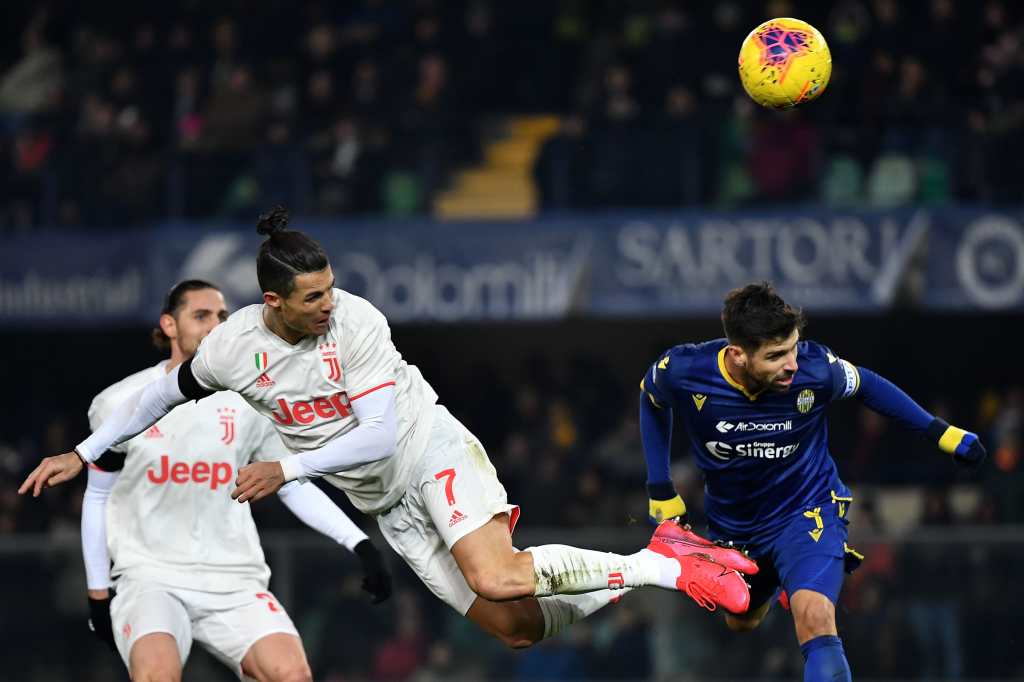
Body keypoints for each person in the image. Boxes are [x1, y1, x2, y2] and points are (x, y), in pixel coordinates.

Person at [22, 207, 757, 651]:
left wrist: (286, 469)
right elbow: (158, 398)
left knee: (496, 575)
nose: (328, 303)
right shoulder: (230, 349)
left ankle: (669, 566)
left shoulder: (357, 322)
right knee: (518, 628)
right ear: (273, 302)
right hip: (387, 504)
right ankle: (651, 559)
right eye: (312, 297)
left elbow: (376, 435)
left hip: (425, 449)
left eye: (330, 287)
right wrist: (82, 453)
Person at [638, 281, 987, 682]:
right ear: (737, 355)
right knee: (742, 620)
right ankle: (780, 582)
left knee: (816, 616)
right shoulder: (684, 370)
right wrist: (660, 488)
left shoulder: (816, 368)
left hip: (807, 509)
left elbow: (868, 385)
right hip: (736, 525)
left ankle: (798, 577)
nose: (791, 364)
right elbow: (651, 399)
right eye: (775, 355)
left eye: (792, 348)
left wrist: (940, 432)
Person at [80, 279, 391, 682]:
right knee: (157, 675)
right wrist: (97, 594)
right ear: (169, 325)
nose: (215, 325)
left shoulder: (252, 400)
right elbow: (97, 496)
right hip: (150, 578)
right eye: (201, 315)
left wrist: (360, 543)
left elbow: (289, 483)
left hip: (233, 577)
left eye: (222, 316)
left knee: (292, 674)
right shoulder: (118, 402)